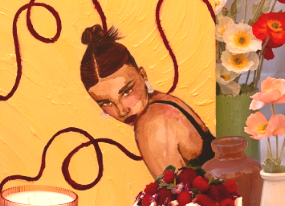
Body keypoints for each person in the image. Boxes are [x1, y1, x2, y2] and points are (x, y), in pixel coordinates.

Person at [80, 24, 214, 177]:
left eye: (127, 91)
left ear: (143, 75)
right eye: (105, 103)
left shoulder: (151, 122)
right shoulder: (166, 103)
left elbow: (176, 197)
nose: (122, 110)